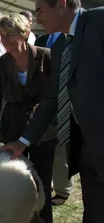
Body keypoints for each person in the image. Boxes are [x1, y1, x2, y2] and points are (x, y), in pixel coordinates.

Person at [0, 0, 104, 222]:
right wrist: (24, 141)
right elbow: (53, 98)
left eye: (39, 10)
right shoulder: (59, 47)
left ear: (61, 4)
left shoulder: (99, 21)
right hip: (87, 148)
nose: (38, 18)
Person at [0, 13, 57, 223]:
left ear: (25, 33)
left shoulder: (48, 57)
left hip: (43, 131)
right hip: (13, 129)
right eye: (2, 34)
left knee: (42, 184)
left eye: (11, 34)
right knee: (16, 180)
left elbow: (56, 97)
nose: (5, 39)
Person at [34, 31, 74, 206]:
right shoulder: (41, 39)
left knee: (61, 146)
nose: (40, 17)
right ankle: (47, 184)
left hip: (65, 98)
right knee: (45, 144)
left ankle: (62, 190)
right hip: (44, 98)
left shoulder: (72, 39)